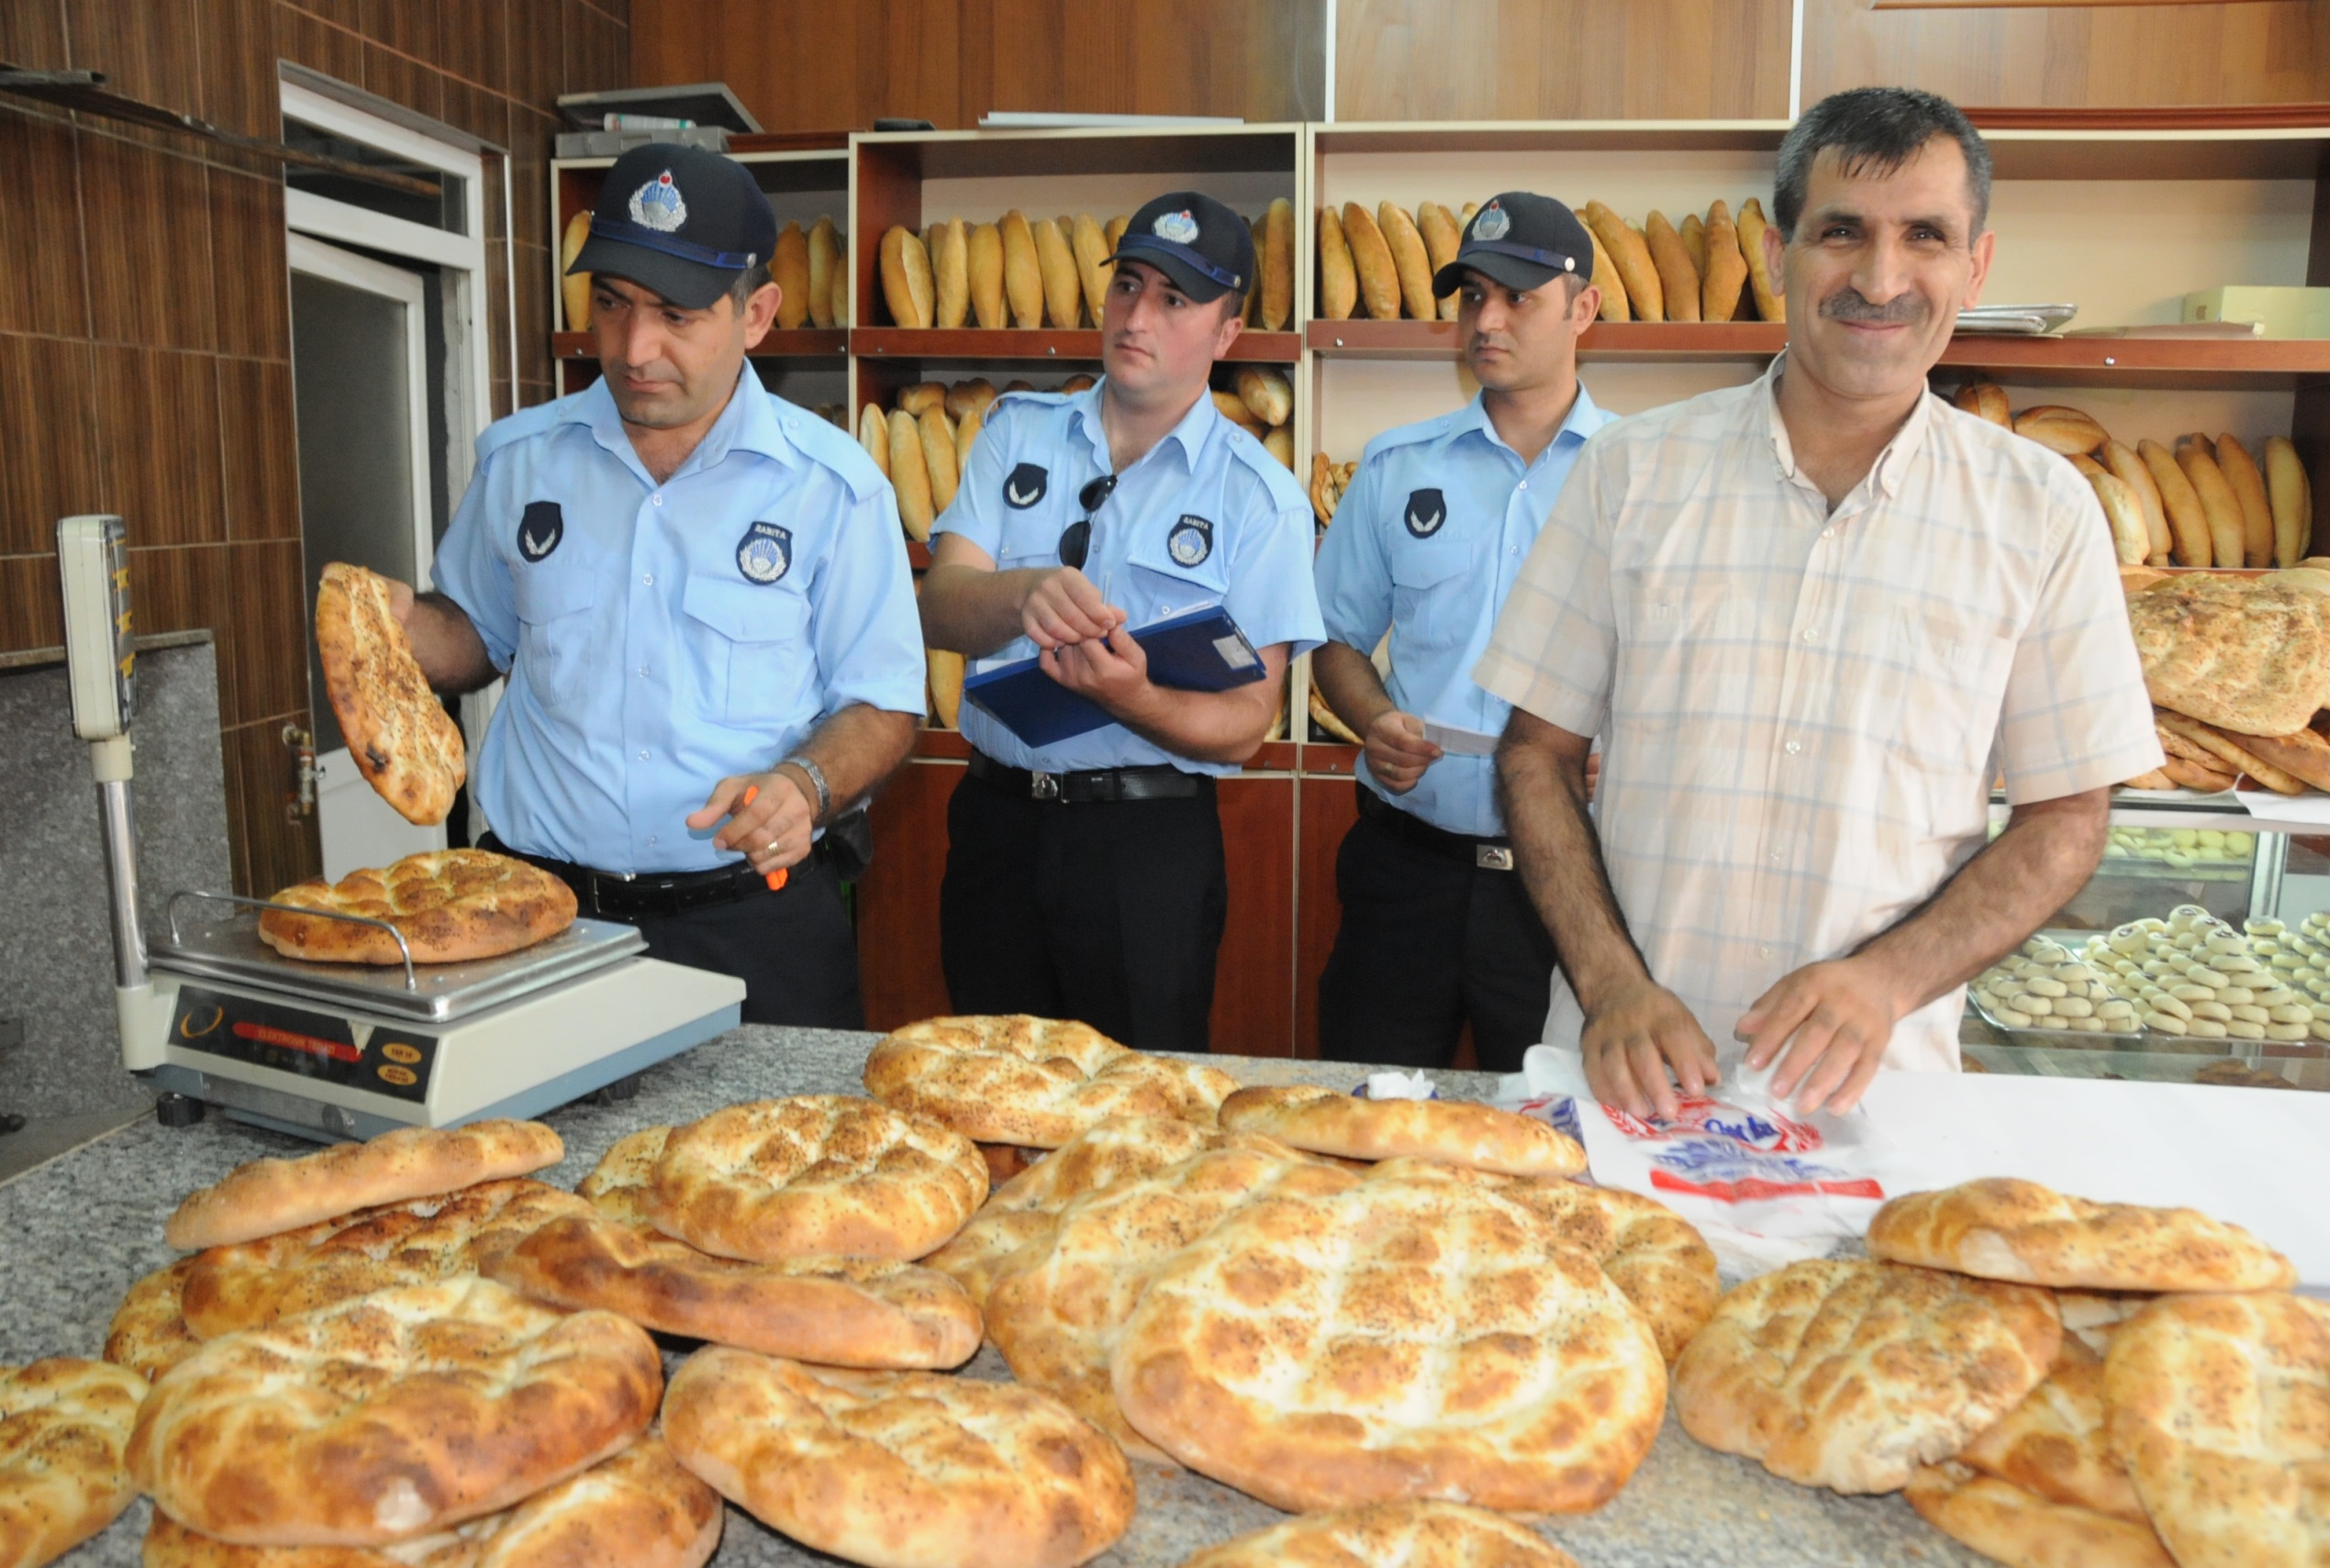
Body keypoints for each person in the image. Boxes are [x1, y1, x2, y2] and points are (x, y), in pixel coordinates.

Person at [1477, 87, 2165, 1118]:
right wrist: (1609, 982)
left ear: (1973, 266)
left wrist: (1886, 980)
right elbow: (1533, 752)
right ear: (1774, 254)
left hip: (1873, 1107)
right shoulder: (1630, 475)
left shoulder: (2042, 514)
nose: (1879, 279)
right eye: (1841, 231)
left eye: (1923, 236)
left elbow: (2066, 816)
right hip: (1625, 1080)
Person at [390, 142, 925, 1027]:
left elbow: (882, 703)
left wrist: (807, 784)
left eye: (676, 315)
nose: (636, 348)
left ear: (755, 314)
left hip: (752, 926)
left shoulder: (831, 485)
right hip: (539, 924)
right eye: (613, 304)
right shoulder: (521, 461)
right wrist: (393, 624)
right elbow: (473, 636)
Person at [919, 191, 1323, 1052]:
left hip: (1146, 852)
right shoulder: (1013, 433)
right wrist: (1020, 593)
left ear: (1226, 333)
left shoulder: (1261, 499)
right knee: (982, 1095)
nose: (1137, 315)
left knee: (1136, 1123)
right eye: (1128, 286)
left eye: (1174, 300)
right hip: (997, 827)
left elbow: (1245, 726)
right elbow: (941, 606)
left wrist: (1134, 696)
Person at [1310, 193, 1615, 1072]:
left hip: (1565, 885)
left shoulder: (1637, 476)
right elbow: (1334, 637)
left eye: (1517, 296)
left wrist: (1620, 747)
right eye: (1472, 295)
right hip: (1406, 870)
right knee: (1367, 1122)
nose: (1487, 319)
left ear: (1582, 308)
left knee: (1553, 1146)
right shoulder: (1395, 464)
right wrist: (1372, 717)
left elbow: (1677, 672)